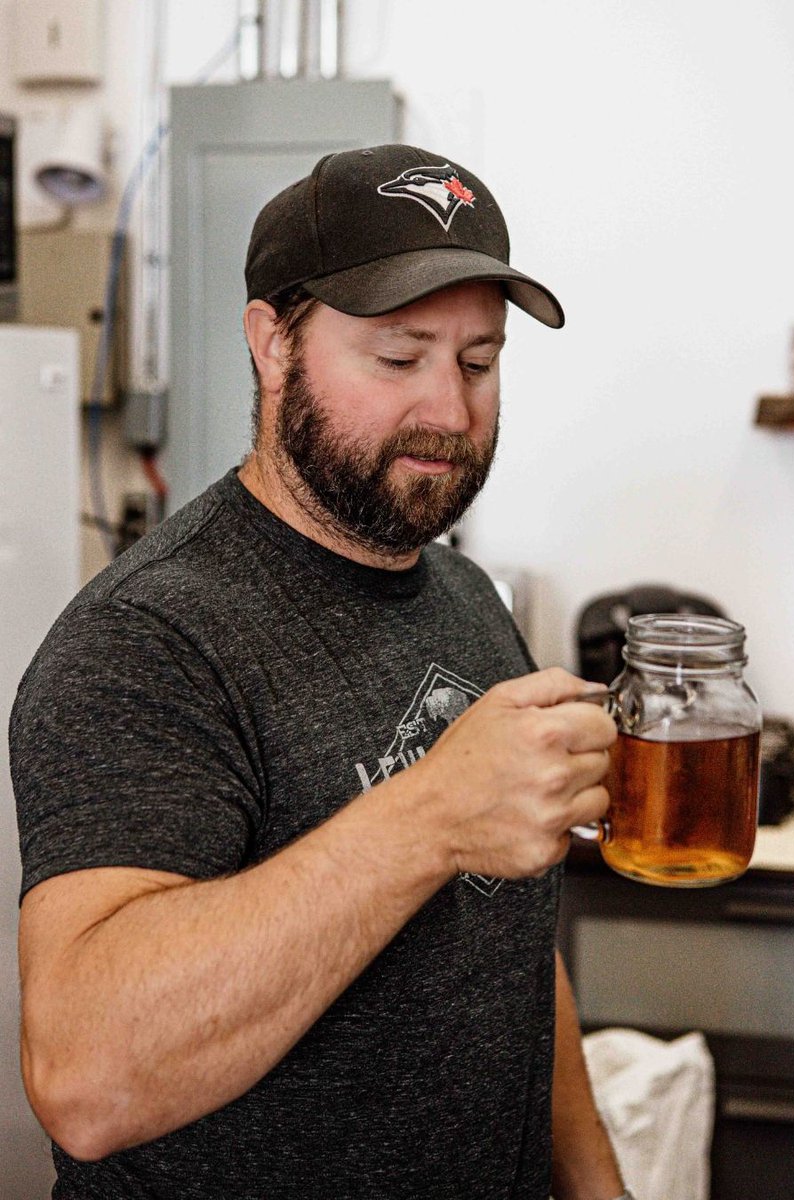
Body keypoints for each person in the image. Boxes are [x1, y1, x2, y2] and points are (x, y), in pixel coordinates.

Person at [11, 144, 630, 1200]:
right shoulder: (148, 641)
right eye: (398, 359)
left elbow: (516, 955)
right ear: (271, 344)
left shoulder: (467, 600)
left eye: (478, 362)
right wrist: (431, 815)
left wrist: (598, 1186)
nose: (450, 409)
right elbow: (85, 1078)